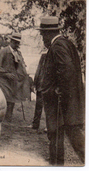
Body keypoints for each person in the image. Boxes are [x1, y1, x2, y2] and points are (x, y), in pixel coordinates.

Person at [37, 16, 85, 165]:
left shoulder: (57, 46)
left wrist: (59, 91)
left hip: (60, 105)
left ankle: (56, 165)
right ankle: (57, 164)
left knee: (63, 137)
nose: (42, 38)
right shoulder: (67, 44)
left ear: (48, 33)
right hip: (66, 104)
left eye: (43, 34)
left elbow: (67, 71)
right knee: (68, 137)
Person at [0, 32, 30, 123]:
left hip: (13, 80)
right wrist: (6, 74)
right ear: (11, 41)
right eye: (15, 42)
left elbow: (21, 65)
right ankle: (0, 117)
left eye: (18, 43)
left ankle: (8, 117)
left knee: (12, 98)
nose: (17, 45)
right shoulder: (4, 51)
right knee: (5, 98)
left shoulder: (18, 53)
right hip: (3, 79)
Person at [27, 52, 47, 130]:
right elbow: (38, 71)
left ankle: (47, 126)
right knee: (39, 106)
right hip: (41, 86)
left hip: (47, 87)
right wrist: (35, 83)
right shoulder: (44, 56)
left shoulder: (52, 56)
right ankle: (35, 125)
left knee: (47, 108)